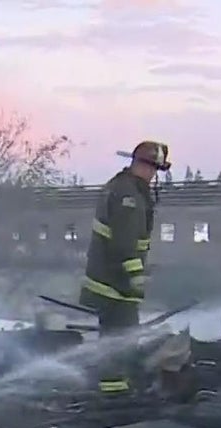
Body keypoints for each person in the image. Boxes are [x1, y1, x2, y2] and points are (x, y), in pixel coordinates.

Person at [79, 141, 171, 396]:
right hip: (114, 280)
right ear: (139, 164)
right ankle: (113, 391)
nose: (153, 175)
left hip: (109, 277)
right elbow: (125, 240)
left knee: (117, 334)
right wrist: (136, 275)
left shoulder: (123, 187)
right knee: (121, 336)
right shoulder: (128, 196)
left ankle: (115, 385)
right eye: (152, 168)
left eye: (156, 170)